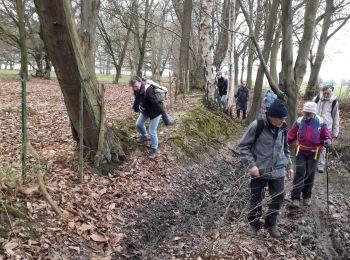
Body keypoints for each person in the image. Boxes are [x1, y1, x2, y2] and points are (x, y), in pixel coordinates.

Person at [239, 99, 293, 238]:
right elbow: (243, 146)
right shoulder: (258, 125)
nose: (283, 121)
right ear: (271, 116)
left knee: (279, 196)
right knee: (256, 199)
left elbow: (285, 148)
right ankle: (254, 224)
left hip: (277, 170)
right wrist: (251, 165)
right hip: (260, 170)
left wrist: (289, 166)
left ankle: (271, 224)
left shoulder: (283, 127)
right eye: (280, 118)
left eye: (284, 118)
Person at [288, 102, 332, 208]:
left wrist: (327, 141)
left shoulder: (321, 122)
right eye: (305, 113)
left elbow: (326, 136)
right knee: (300, 172)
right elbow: (290, 135)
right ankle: (295, 198)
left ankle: (307, 196)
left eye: (309, 114)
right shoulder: (299, 121)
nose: (307, 116)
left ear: (314, 113)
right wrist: (284, 144)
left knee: (310, 174)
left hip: (315, 153)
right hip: (301, 151)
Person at [130, 76, 170, 158]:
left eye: (136, 86)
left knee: (152, 130)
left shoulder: (148, 90)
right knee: (138, 124)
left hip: (156, 112)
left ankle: (154, 148)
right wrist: (137, 107)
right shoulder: (136, 90)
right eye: (133, 87)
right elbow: (139, 100)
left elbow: (156, 103)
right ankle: (144, 136)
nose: (135, 88)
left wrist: (164, 114)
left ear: (140, 82)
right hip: (145, 111)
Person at [312, 85, 340, 173]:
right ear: (322, 92)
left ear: (331, 93)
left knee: (324, 146)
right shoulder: (316, 99)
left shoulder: (334, 102)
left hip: (326, 128)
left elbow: (336, 117)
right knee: (313, 144)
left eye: (328, 93)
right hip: (314, 126)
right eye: (325, 93)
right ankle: (312, 163)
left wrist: (335, 132)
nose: (326, 95)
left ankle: (321, 165)